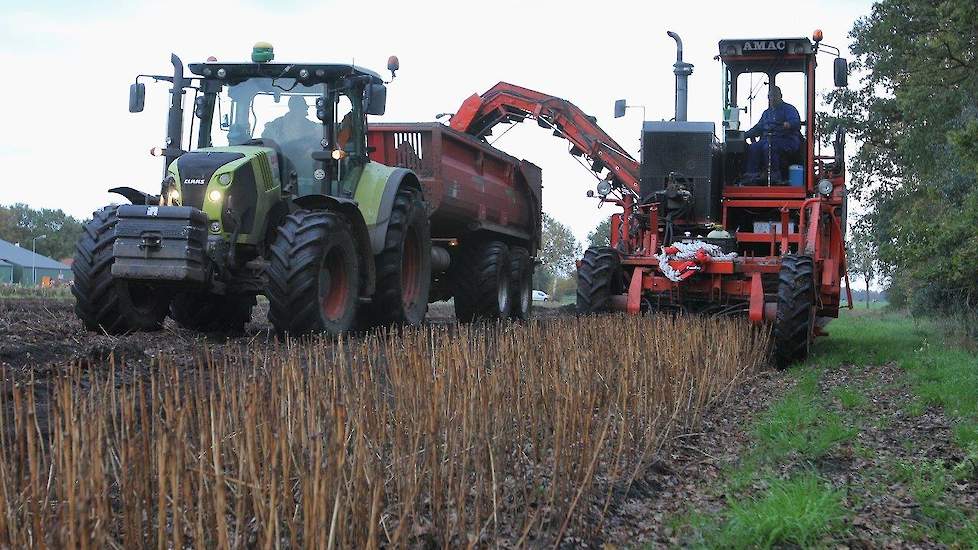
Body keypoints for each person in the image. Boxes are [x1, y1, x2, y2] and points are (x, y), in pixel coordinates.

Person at [743, 86, 801, 183]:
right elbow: (758, 128)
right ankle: (751, 176)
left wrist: (788, 124)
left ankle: (775, 176)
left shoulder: (789, 109)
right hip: (768, 139)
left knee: (769, 146)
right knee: (754, 147)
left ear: (780, 96)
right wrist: (744, 135)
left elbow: (796, 122)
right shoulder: (766, 113)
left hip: (787, 140)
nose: (772, 98)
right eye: (770, 96)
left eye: (774, 96)